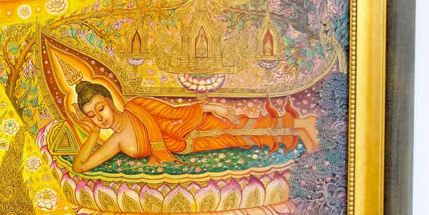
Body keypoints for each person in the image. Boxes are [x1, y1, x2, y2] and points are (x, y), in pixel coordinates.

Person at [70, 81, 317, 174]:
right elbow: (80, 166)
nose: (99, 118)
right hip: (190, 146)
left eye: (100, 108)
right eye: (92, 116)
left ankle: (301, 124)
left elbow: (173, 112)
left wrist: (211, 107)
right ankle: (296, 132)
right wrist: (93, 134)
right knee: (240, 138)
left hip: (191, 125)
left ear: (110, 102)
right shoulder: (115, 142)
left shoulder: (137, 106)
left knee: (243, 125)